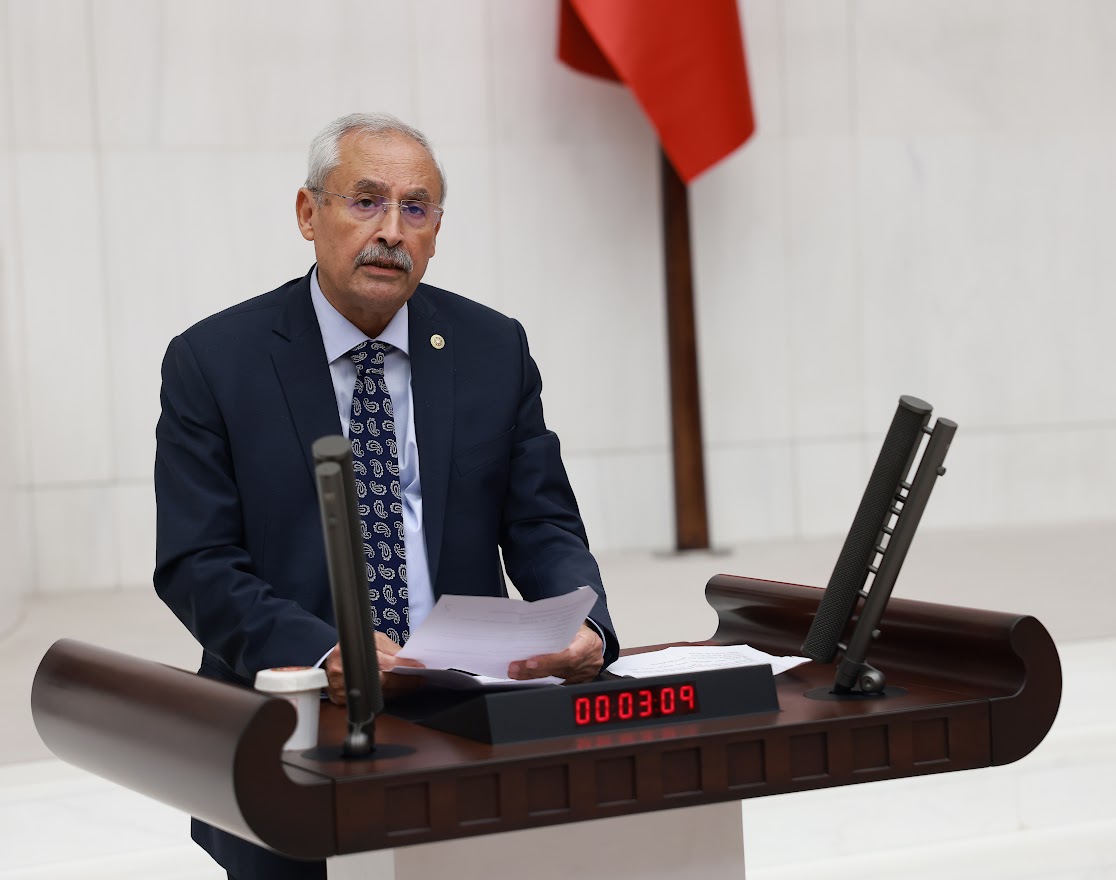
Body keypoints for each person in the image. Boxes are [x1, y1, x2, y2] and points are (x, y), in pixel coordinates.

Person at [153, 112, 619, 880]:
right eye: (366, 201)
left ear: (437, 231)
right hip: (294, 723)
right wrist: (322, 653)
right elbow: (196, 562)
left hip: (467, 711)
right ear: (309, 213)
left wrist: (584, 622)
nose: (392, 231)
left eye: (416, 208)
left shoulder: (492, 348)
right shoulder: (215, 362)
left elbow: (543, 523)